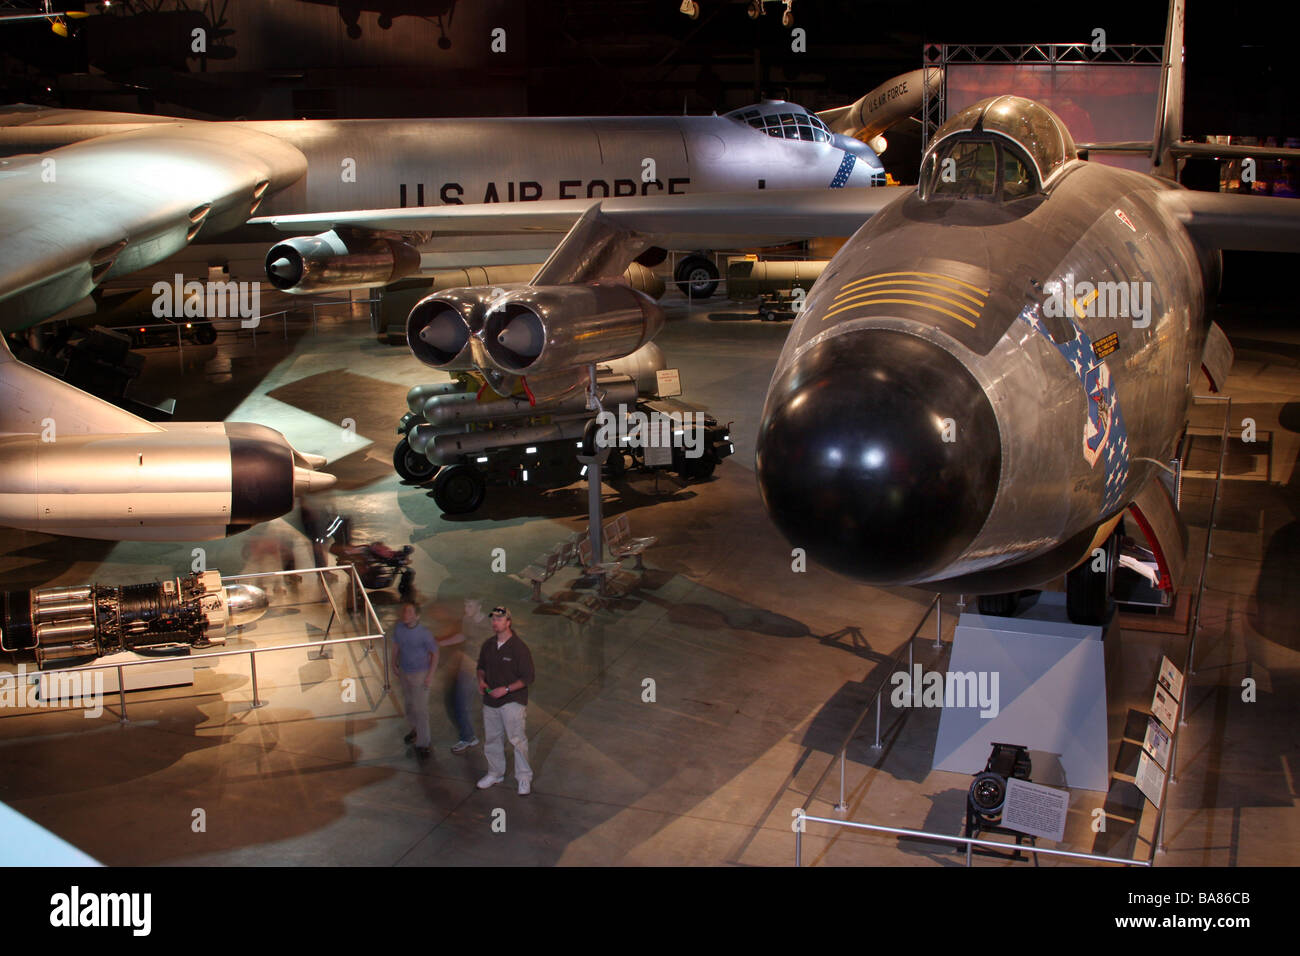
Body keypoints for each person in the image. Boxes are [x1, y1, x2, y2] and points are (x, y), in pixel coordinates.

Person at [476, 606, 535, 795]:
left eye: (499, 619)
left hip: (512, 702)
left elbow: (528, 678)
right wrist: (481, 680)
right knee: (492, 739)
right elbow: (481, 667)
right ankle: (495, 773)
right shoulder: (488, 645)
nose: (495, 623)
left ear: (508, 622)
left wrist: (506, 689)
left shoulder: (519, 648)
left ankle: (524, 777)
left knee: (517, 740)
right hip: (490, 702)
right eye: (493, 619)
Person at [438, 597, 490, 754]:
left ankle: (476, 737)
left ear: (479, 607)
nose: (466, 608)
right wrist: (441, 643)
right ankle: (468, 737)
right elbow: (463, 636)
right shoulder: (467, 619)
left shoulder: (488, 624)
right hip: (468, 665)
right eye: (465, 605)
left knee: (483, 703)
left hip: (479, 667)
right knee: (460, 702)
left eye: (470, 605)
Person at [391, 602, 438, 759]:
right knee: (409, 705)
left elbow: (435, 654)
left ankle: (423, 743)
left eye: (410, 612)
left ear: (417, 616)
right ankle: (415, 730)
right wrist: (393, 663)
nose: (406, 614)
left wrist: (430, 676)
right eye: (405, 611)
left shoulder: (424, 634)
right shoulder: (399, 628)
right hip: (405, 672)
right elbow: (396, 645)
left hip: (420, 674)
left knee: (421, 709)